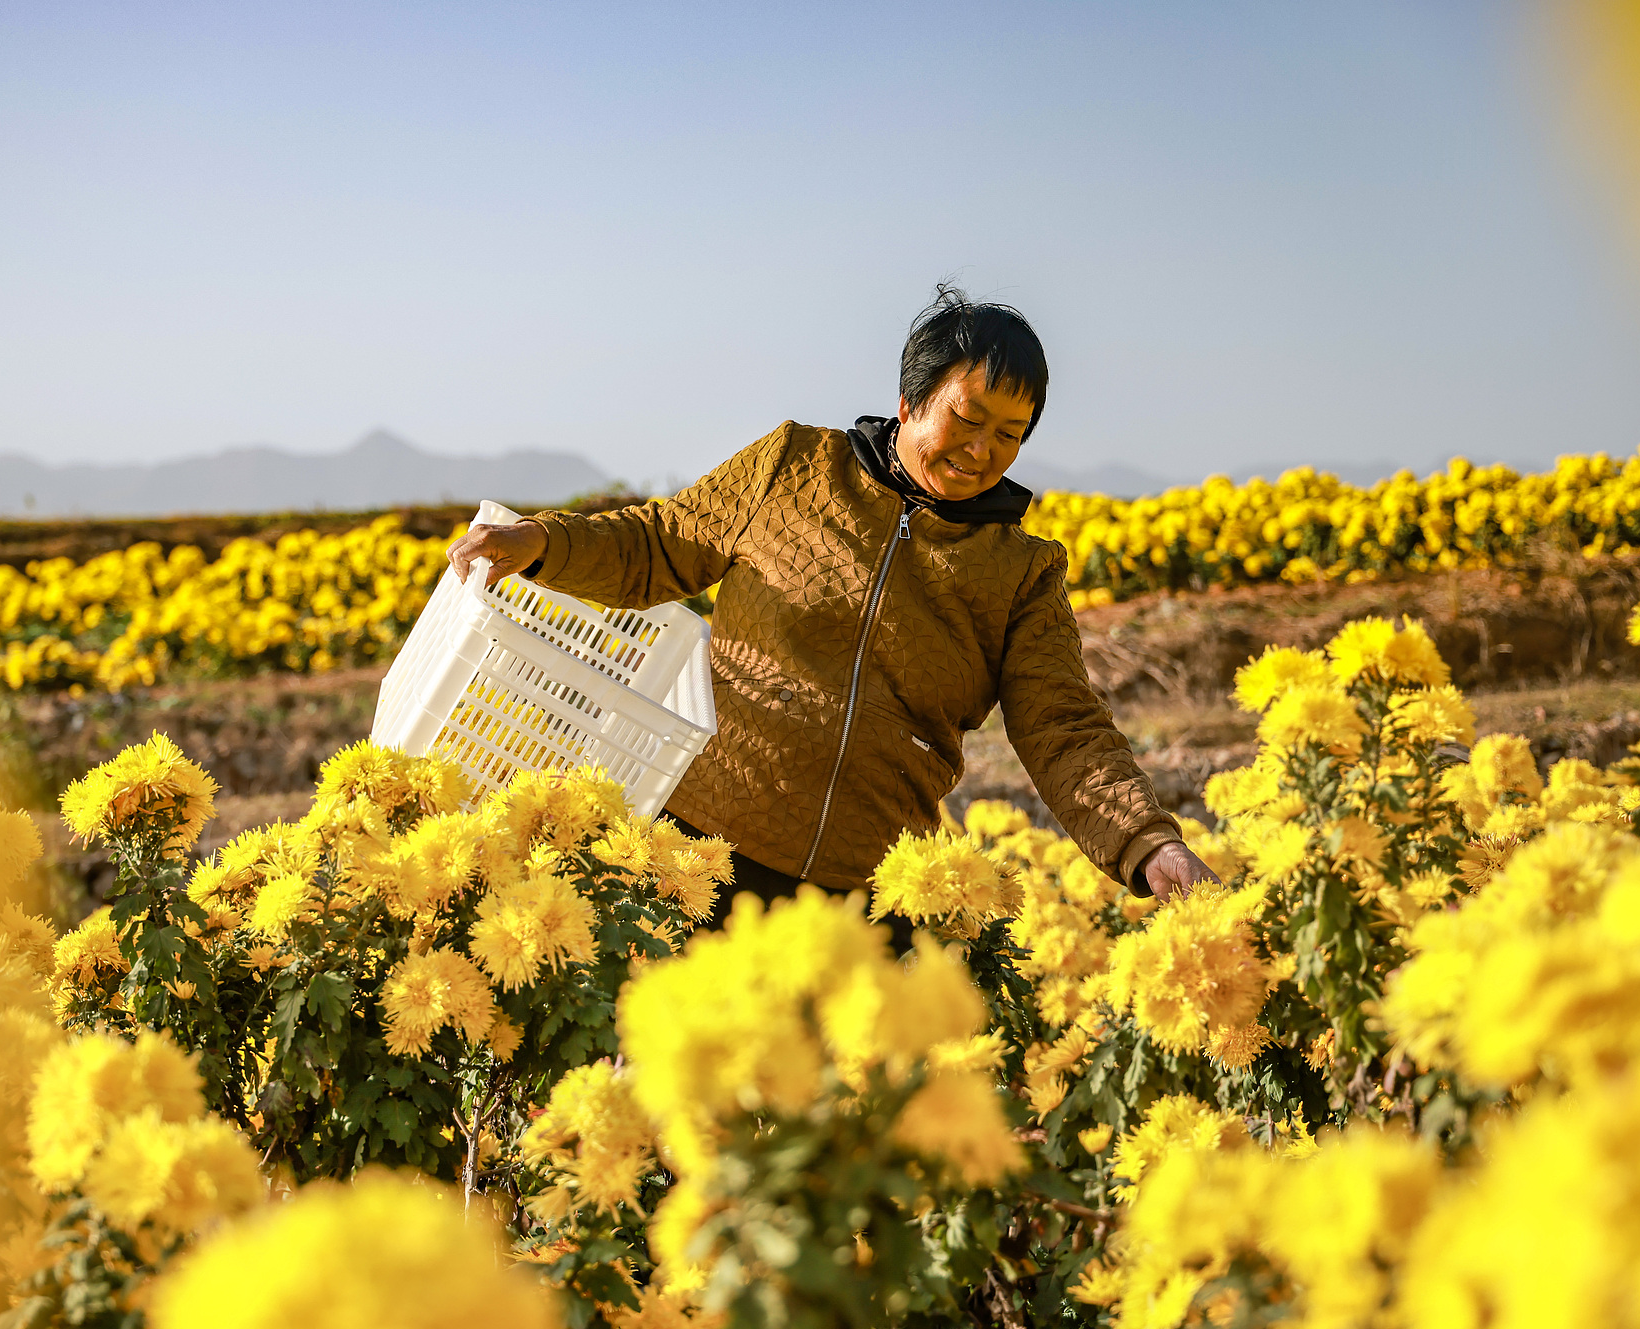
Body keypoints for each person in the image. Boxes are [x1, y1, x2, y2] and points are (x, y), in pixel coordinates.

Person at [448, 284, 1219, 918]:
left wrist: (1149, 842)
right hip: (698, 853)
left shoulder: (1020, 573)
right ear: (912, 400)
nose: (985, 450)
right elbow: (658, 542)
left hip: (864, 892)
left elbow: (1064, 729)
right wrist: (542, 542)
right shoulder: (791, 467)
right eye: (969, 418)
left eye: (1012, 434)